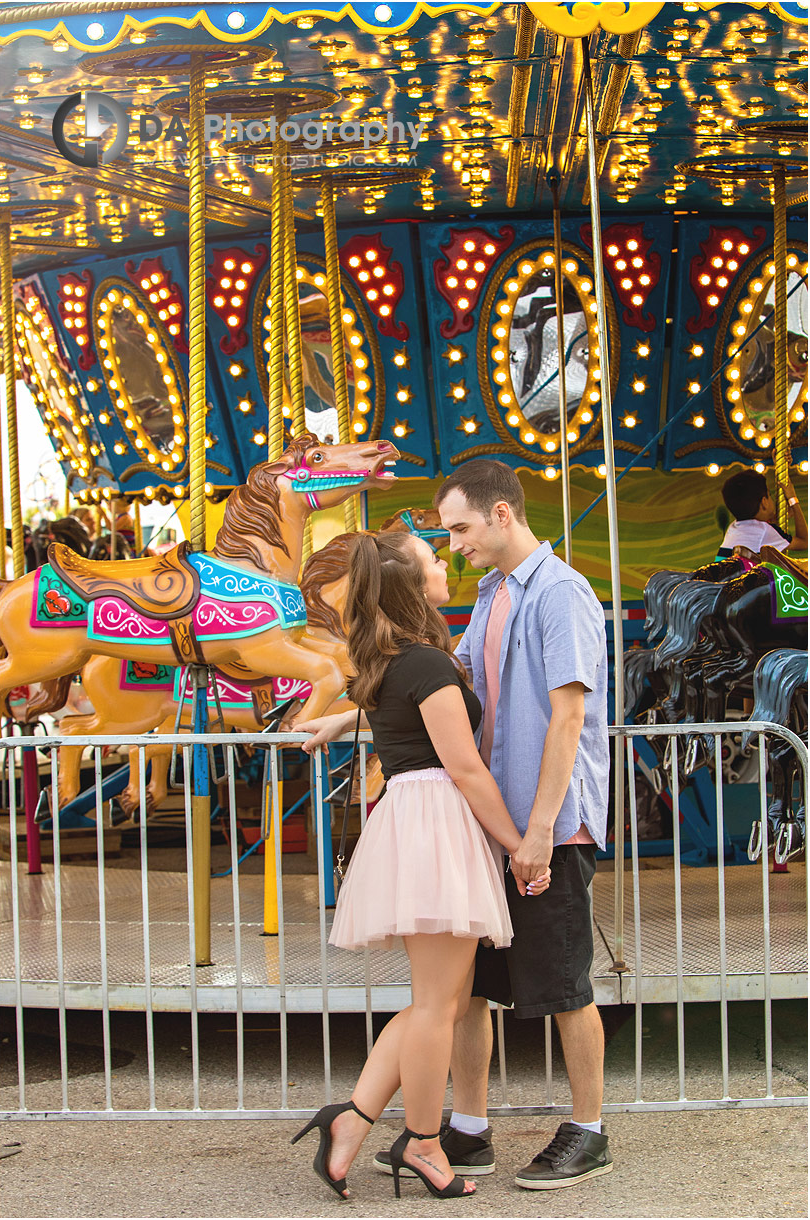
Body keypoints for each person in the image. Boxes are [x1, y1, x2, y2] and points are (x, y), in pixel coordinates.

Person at [377, 459, 613, 1191]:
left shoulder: (560, 594)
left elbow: (568, 715)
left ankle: (588, 1127)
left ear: (502, 515)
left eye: (460, 528)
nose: (453, 545)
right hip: (489, 826)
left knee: (561, 982)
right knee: (473, 984)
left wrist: (539, 827)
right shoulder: (491, 594)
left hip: (546, 825)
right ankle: (470, 1127)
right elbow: (451, 687)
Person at [293, 531, 549, 1202]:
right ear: (412, 586)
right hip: (436, 819)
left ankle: (349, 1122)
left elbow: (399, 718)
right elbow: (464, 766)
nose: (444, 565)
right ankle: (426, 1143)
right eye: (433, 560)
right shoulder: (426, 665)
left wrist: (335, 723)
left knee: (439, 1001)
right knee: (441, 1005)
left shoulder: (390, 662)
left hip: (413, 819)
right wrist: (519, 844)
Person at [717, 469, 807, 560]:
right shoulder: (765, 530)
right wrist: (793, 500)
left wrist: (775, 519)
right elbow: (805, 542)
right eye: (770, 495)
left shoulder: (732, 528)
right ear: (764, 502)